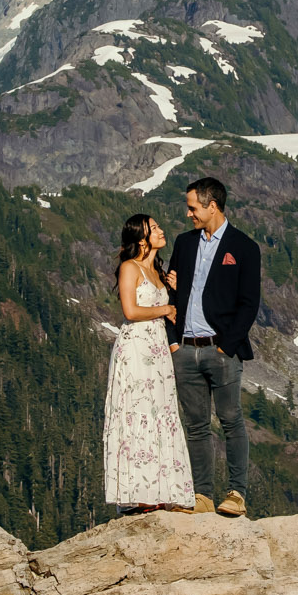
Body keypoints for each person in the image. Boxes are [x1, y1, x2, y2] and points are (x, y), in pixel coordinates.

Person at [164, 175, 260, 516]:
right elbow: (172, 293)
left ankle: (236, 494)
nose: (189, 214)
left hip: (221, 350)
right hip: (185, 349)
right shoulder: (184, 243)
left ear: (212, 206)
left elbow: (249, 303)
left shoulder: (244, 247)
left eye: (193, 207)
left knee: (232, 420)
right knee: (196, 425)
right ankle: (202, 495)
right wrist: (174, 343)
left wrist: (227, 347)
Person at [104, 213, 192, 512]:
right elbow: (130, 310)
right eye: (154, 228)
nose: (161, 230)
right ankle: (139, 494)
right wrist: (166, 306)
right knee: (138, 413)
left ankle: (162, 491)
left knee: (161, 411)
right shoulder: (130, 268)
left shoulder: (157, 270)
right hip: (136, 348)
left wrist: (175, 291)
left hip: (157, 348)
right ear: (141, 238)